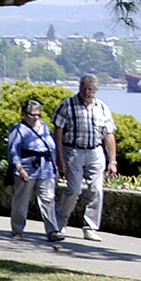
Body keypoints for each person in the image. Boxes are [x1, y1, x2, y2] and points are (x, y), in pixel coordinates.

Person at [54, 74, 118, 241]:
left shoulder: (102, 107)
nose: (87, 92)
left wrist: (113, 161)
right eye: (84, 88)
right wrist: (59, 157)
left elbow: (109, 135)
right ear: (79, 87)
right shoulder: (67, 105)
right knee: (74, 190)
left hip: (95, 152)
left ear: (96, 90)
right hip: (73, 151)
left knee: (96, 190)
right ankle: (60, 223)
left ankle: (90, 227)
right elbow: (58, 132)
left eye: (90, 89)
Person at [6, 96, 64, 245]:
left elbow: (51, 147)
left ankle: (53, 230)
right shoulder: (18, 129)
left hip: (46, 169)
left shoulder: (44, 126)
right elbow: (13, 151)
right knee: (21, 200)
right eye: (33, 115)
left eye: (38, 114)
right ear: (25, 114)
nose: (36, 118)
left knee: (48, 199)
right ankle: (17, 229)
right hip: (26, 168)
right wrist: (20, 169)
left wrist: (55, 167)